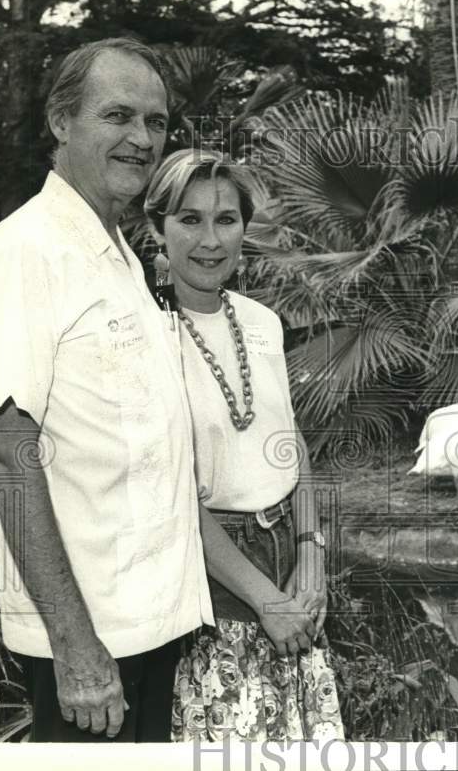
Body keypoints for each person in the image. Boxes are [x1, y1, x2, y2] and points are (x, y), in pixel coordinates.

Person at [0, 39, 215, 741]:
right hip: (91, 644)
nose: (142, 139)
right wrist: (76, 648)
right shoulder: (28, 250)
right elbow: (8, 457)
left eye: (157, 121)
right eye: (118, 116)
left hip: (148, 625)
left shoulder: (122, 260)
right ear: (61, 122)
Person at [143, 149, 344, 741]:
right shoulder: (146, 336)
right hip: (215, 575)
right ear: (157, 227)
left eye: (226, 219)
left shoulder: (263, 321)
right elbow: (168, 493)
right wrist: (264, 600)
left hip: (291, 562)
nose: (211, 240)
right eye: (189, 219)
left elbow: (291, 444)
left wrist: (312, 553)